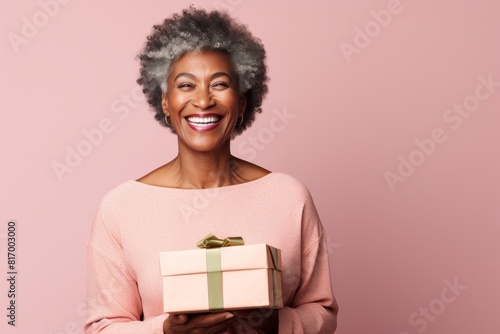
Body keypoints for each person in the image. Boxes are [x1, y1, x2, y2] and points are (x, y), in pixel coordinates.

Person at [85, 8, 338, 334]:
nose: (203, 100)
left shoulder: (289, 197)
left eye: (219, 84)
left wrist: (274, 322)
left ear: (242, 102)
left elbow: (323, 312)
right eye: (186, 85)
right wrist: (167, 331)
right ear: (165, 102)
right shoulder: (121, 208)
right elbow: (102, 328)